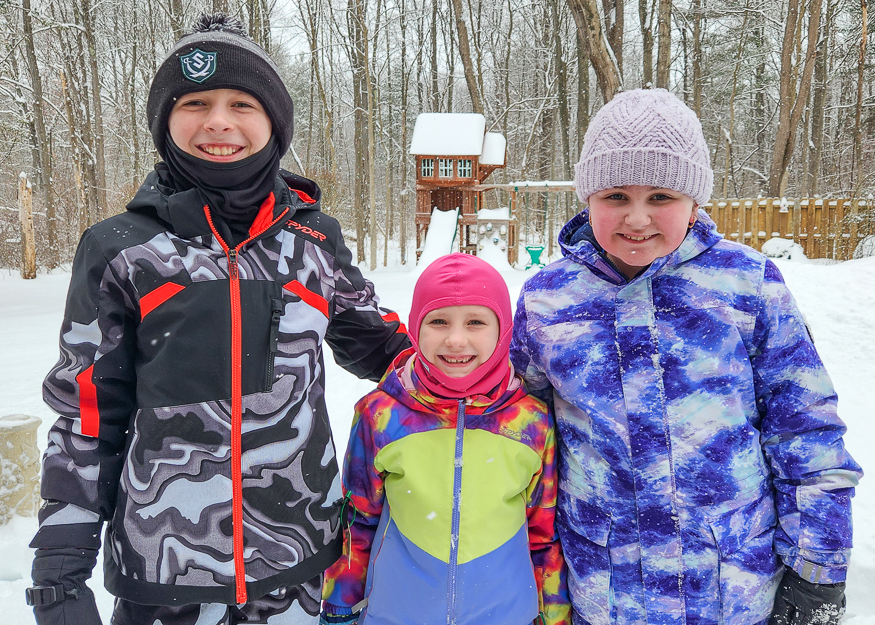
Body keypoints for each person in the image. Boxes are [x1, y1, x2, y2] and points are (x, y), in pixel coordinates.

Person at [26, 14, 409, 625]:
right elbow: (86, 416)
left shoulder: (313, 241)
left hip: (298, 565)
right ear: (165, 122)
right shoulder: (122, 249)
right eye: (195, 103)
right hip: (164, 573)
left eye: (242, 104)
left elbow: (386, 350)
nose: (218, 122)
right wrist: (59, 572)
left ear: (274, 123)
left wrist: (489, 378)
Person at [510, 88, 862, 625]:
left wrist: (818, 568)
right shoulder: (548, 299)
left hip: (730, 584)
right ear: (587, 199)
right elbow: (520, 433)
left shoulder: (746, 284)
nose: (637, 218)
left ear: (695, 202)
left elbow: (805, 428)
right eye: (615, 196)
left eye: (661, 196)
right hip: (604, 587)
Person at [320, 253, 570, 625]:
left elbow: (544, 534)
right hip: (398, 615)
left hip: (504, 615)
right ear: (415, 326)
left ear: (503, 329)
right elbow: (356, 522)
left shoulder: (531, 422)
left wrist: (555, 615)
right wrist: (339, 606)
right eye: (438, 321)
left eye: (475, 322)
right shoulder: (381, 415)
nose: (455, 339)